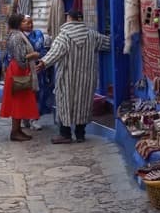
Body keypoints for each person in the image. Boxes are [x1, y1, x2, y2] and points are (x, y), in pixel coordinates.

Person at [36, 9, 110, 144]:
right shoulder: (92, 35)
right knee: (83, 104)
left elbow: (55, 53)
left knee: (65, 103)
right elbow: (108, 43)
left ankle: (65, 134)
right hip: (86, 79)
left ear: (69, 18)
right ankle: (80, 134)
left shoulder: (63, 36)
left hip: (67, 78)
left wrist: (43, 63)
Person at [0, 13, 40, 141]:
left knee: (19, 100)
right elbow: (21, 58)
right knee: (18, 101)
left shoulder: (14, 34)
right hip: (18, 70)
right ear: (18, 23)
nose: (27, 24)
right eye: (23, 22)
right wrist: (33, 55)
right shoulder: (17, 36)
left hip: (16, 69)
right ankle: (15, 131)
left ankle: (17, 130)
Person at [21, 14, 53, 130]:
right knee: (24, 94)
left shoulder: (38, 34)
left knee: (38, 94)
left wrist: (41, 57)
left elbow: (43, 50)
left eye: (31, 22)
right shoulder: (18, 37)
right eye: (26, 22)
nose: (30, 24)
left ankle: (34, 118)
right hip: (24, 69)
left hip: (38, 69)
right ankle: (24, 118)